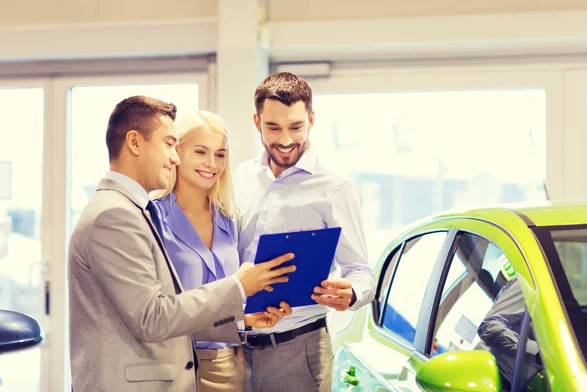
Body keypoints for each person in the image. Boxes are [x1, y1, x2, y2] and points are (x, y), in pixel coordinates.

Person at [68, 96, 296, 392]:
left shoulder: (138, 211)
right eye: (168, 145)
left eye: (220, 154)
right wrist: (239, 287)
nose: (173, 157)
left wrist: (240, 317)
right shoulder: (117, 215)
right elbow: (153, 318)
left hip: (212, 363)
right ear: (135, 143)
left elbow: (156, 313)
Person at [234, 72, 376, 392]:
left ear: (311, 120)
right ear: (257, 122)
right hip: (235, 348)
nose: (285, 140)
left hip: (297, 350)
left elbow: (361, 270)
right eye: (273, 127)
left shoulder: (335, 187)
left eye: (295, 127)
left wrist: (350, 293)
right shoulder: (241, 176)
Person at [151, 110, 292, 392]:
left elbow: (228, 296)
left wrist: (245, 319)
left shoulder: (228, 218)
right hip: (171, 365)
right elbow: (154, 312)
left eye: (220, 154)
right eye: (201, 152)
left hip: (227, 364)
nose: (212, 164)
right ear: (177, 153)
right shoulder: (153, 217)